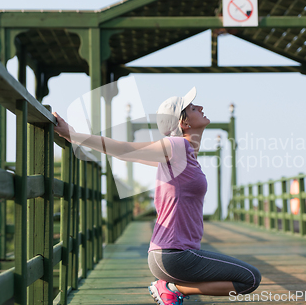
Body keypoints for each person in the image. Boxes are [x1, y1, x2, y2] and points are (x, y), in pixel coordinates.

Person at [53, 87, 261, 305]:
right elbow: (125, 150)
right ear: (184, 123)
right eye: (192, 107)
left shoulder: (184, 154)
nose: (200, 107)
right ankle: (172, 289)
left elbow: (127, 155)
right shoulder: (175, 146)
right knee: (250, 278)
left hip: (173, 254)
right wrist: (73, 135)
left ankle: (172, 288)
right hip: (173, 255)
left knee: (247, 278)